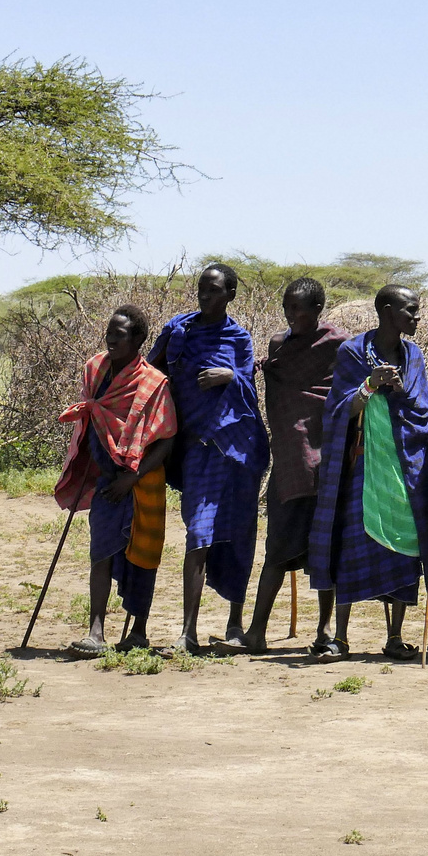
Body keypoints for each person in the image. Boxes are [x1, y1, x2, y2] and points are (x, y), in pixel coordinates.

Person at [306, 284, 428, 661]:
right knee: (350, 544)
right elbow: (337, 410)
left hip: (404, 469)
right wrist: (369, 384)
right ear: (388, 310)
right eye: (410, 310)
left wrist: (397, 392)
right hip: (362, 465)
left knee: (404, 548)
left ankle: (394, 636)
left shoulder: (415, 357)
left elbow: (422, 413)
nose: (416, 317)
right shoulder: (352, 353)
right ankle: (340, 638)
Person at [148, 264, 270, 653]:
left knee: (238, 533)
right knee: (199, 535)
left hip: (236, 452)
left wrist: (229, 378)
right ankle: (188, 631)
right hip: (196, 449)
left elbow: (249, 389)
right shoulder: (178, 331)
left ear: (231, 294)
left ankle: (235, 625)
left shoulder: (239, 338)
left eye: (214, 290)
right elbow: (150, 374)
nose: (204, 295)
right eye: (201, 288)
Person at [59, 305, 179, 657]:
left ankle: (138, 631)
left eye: (120, 333)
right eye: (109, 331)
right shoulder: (95, 370)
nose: (111, 338)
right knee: (101, 551)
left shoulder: (153, 383)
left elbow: (167, 437)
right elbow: (94, 417)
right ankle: (96, 632)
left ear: (139, 340)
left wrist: (133, 476)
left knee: (142, 554)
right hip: (106, 479)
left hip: (144, 481)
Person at [245, 278, 348, 651]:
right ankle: (256, 631)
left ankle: (323, 631)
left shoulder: (339, 345)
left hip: (325, 464)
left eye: (299, 309)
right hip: (289, 461)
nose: (291, 316)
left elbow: (348, 394)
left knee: (324, 553)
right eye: (287, 308)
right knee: (276, 550)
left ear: (318, 309)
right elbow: (278, 383)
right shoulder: (279, 345)